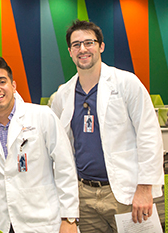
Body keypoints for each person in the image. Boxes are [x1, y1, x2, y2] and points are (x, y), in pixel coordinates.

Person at [51, 20, 164, 232]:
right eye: (76, 45)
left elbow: (148, 134)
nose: (82, 49)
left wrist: (144, 188)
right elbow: (58, 145)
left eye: (89, 42)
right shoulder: (63, 95)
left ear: (101, 46)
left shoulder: (126, 83)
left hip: (126, 192)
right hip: (83, 196)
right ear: (69, 52)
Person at [0, 56, 79, 233]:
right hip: (0, 221)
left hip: (42, 219)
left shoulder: (43, 116)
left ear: (13, 86)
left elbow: (65, 167)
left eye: (2, 81)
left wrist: (69, 218)